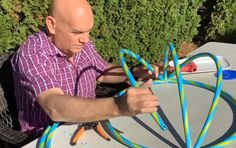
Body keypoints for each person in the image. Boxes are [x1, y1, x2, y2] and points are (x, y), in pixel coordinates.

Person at [11, 0, 160, 136]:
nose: (86, 40)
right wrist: (117, 106)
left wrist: (133, 73)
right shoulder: (32, 54)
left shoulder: (80, 44)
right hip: (47, 140)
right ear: (52, 25)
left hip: (90, 124)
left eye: (88, 31)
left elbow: (101, 71)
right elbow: (54, 106)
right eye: (77, 32)